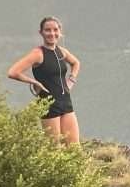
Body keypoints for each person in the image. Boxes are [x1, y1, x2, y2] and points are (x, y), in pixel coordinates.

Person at [7, 16, 81, 144]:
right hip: (48, 104)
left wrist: (71, 81)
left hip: (65, 102)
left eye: (55, 30)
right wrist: (34, 82)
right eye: (47, 30)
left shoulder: (61, 52)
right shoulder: (38, 53)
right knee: (54, 149)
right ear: (41, 32)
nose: (52, 33)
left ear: (60, 31)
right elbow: (13, 72)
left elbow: (76, 63)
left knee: (74, 148)